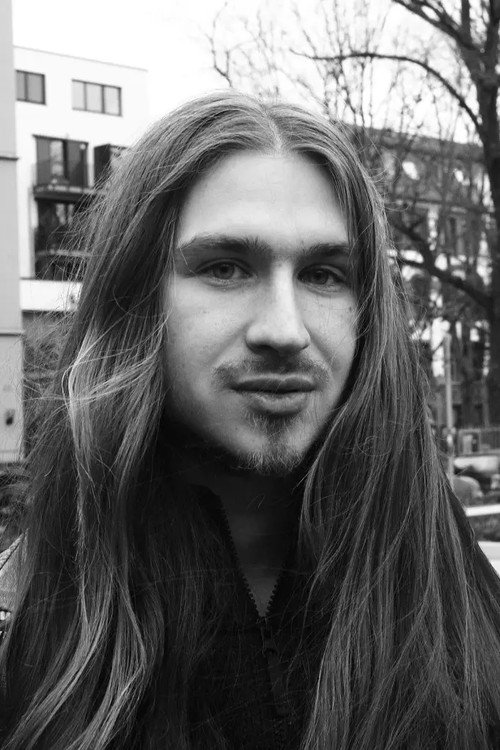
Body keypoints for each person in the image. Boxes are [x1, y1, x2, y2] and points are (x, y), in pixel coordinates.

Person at [1, 91, 500, 750]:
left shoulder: (462, 602)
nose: (285, 330)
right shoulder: (25, 629)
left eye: (324, 274)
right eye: (226, 268)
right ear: (136, 295)